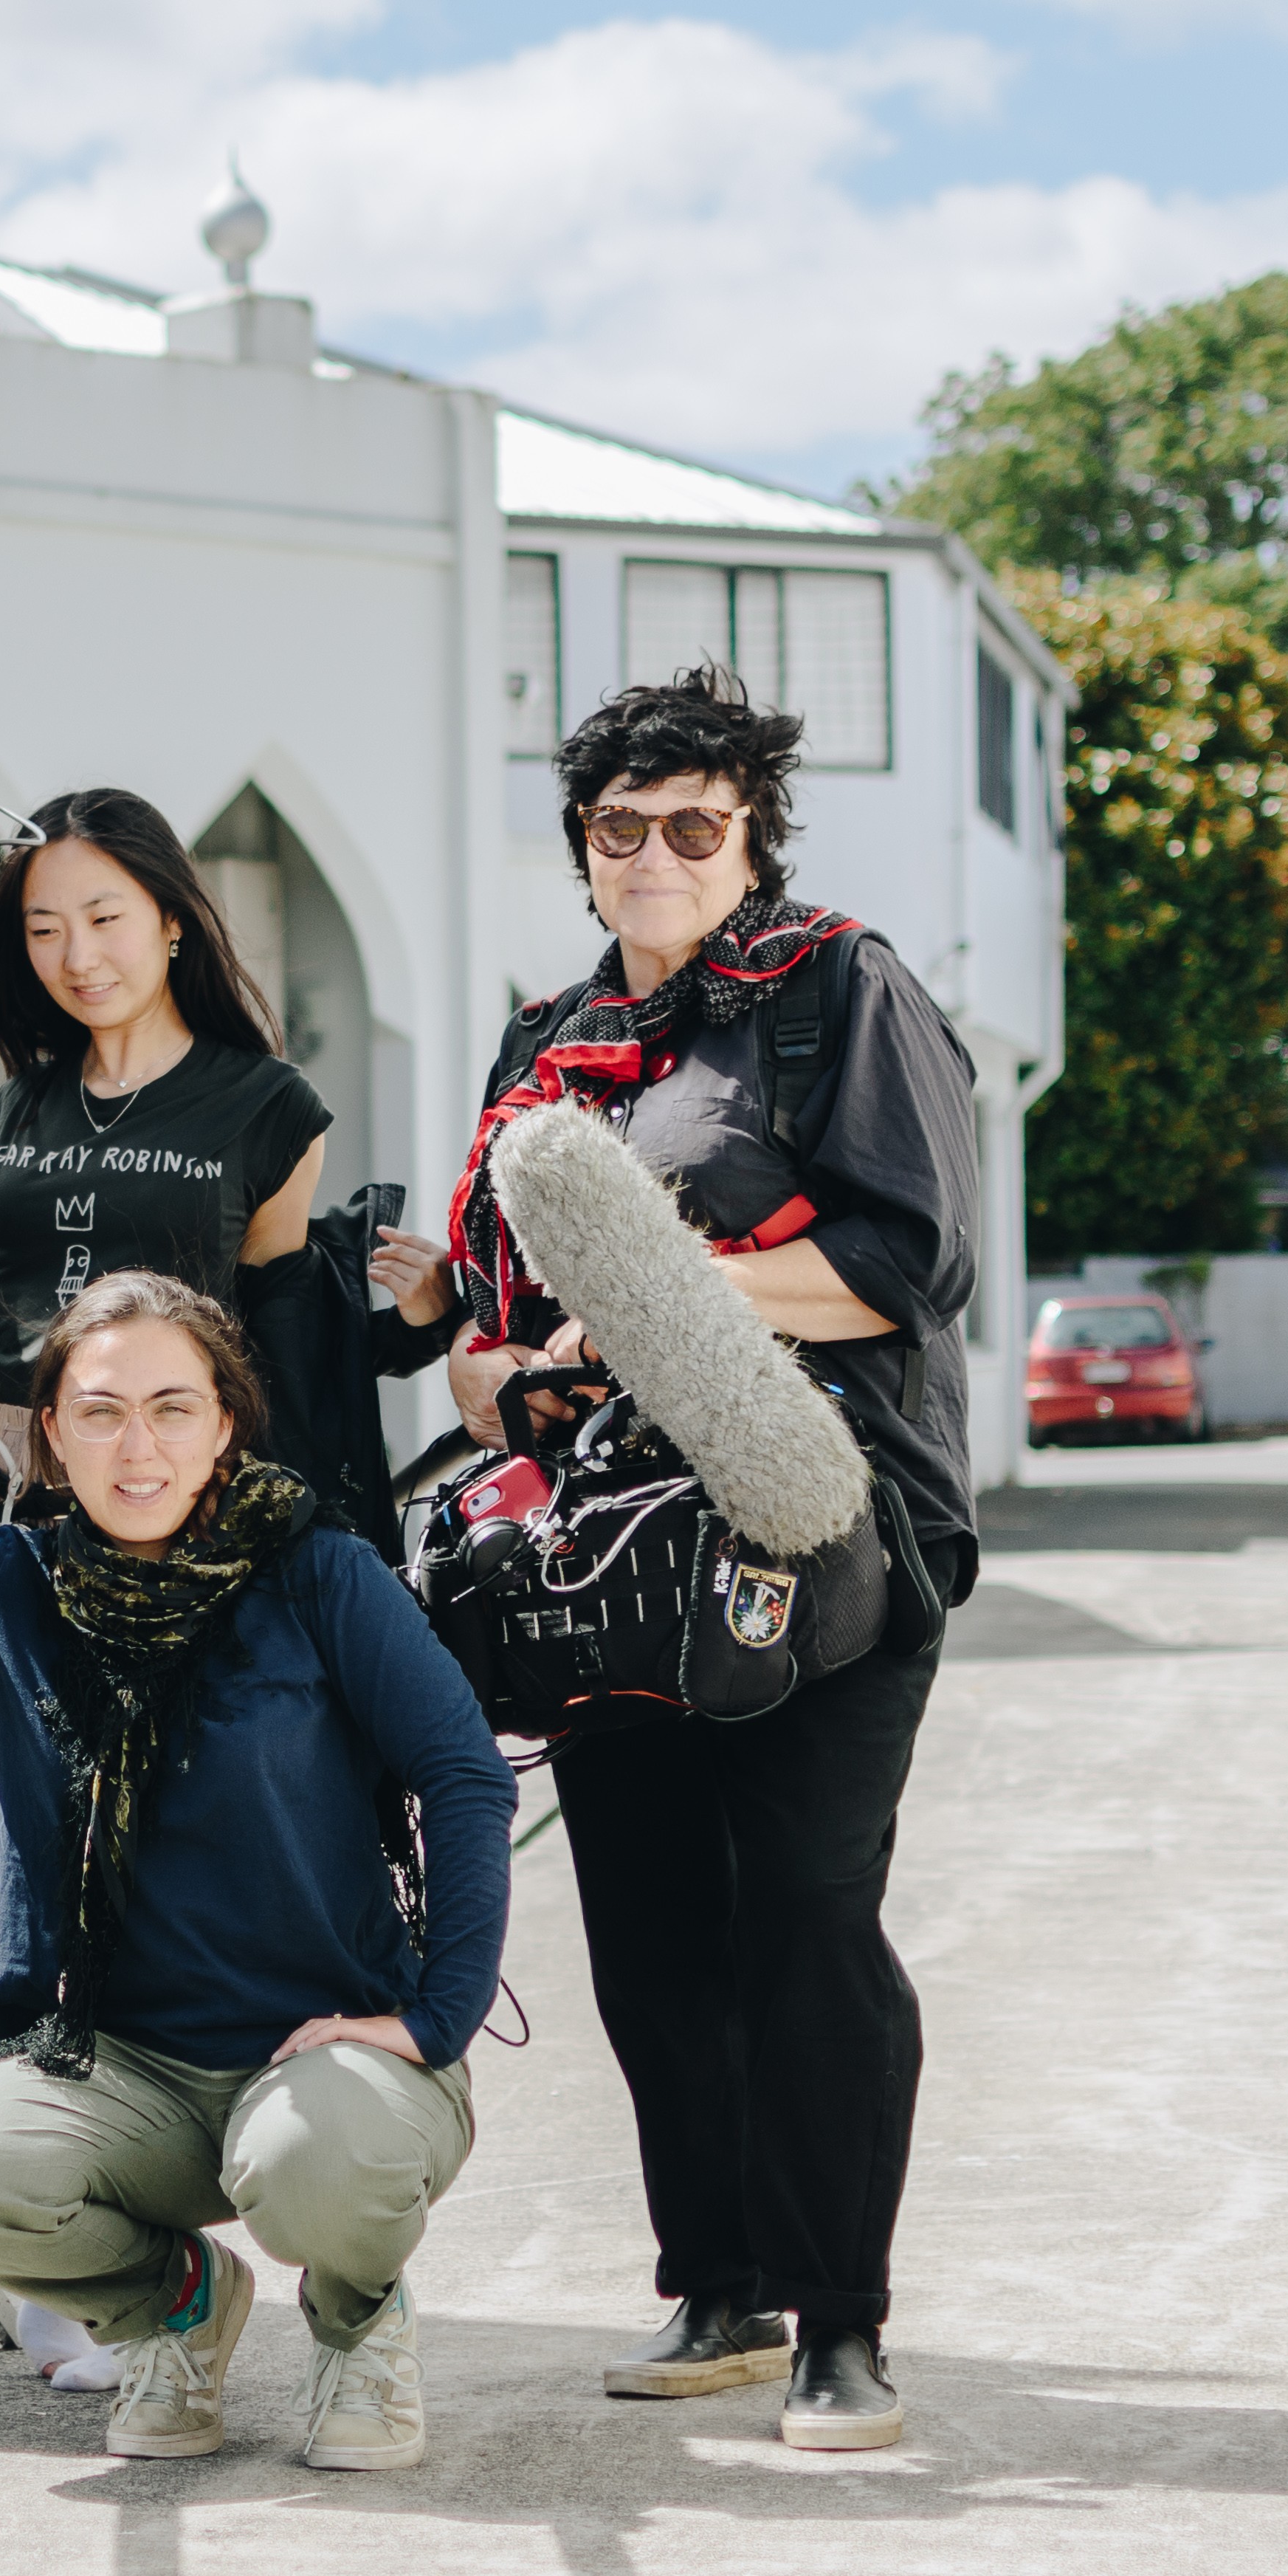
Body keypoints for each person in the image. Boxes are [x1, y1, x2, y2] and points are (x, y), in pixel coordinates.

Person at [420, 662, 979, 2452]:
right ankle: (718, 2282)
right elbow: (486, 1314)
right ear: (580, 850)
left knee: (807, 1915)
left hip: (816, 1515)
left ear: (747, 839)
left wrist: (652, 1303)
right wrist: (503, 1366)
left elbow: (900, 1264)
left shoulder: (837, 995)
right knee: (652, 1924)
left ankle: (841, 2321)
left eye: (689, 823)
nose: (650, 851)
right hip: (605, 1537)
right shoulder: (545, 1040)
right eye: (616, 826)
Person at [0, 1271, 514, 2470]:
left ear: (224, 1424)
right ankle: (171, 2305)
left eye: (173, 1408)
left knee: (312, 2165)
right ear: (51, 1435)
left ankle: (358, 2323)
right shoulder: (10, 1578)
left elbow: (466, 1775)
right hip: (120, 2067)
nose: (138, 1445)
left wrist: (434, 2018)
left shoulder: (316, 1573)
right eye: (100, 1410)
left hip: (323, 2054)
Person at [0, 787, 333, 2391]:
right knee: (10, 1867)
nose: (74, 952)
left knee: (164, 1870)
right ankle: (51, 2230)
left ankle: (166, 2228)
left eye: (102, 914)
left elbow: (291, 1346)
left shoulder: (263, 1106)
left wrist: (305, 1567)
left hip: (185, 1531)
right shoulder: (14, 1114)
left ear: (168, 916)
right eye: (39, 925)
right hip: (13, 1515)